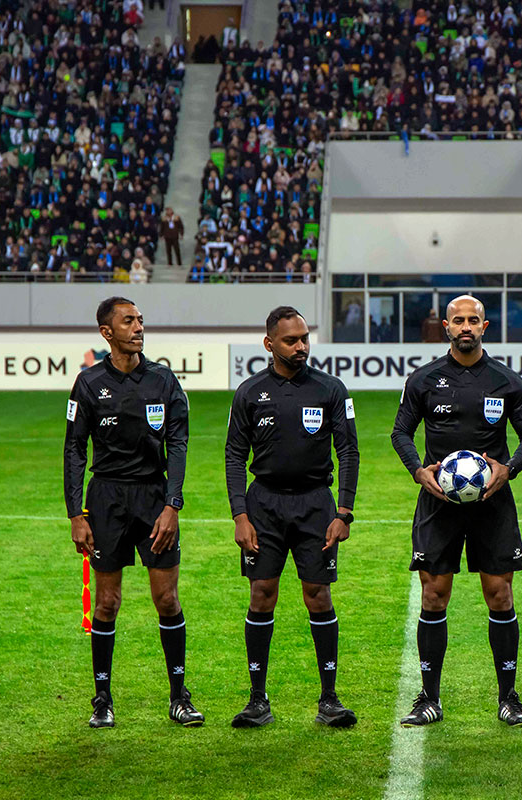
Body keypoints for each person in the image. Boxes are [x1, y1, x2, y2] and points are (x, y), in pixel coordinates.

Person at [390, 294, 522, 727]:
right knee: (434, 595)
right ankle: (429, 698)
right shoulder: (423, 379)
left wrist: (508, 469)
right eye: (458, 320)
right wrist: (418, 470)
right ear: (446, 327)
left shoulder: (507, 381)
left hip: (492, 504)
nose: (466, 327)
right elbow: (401, 432)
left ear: (484, 326)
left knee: (500, 594)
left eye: (473, 320)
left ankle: (508, 698)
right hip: (438, 504)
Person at [64, 296, 202, 729]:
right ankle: (102, 700)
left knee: (167, 599)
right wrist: (76, 514)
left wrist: (172, 504)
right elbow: (74, 449)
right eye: (128, 321)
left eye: (140, 320)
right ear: (107, 332)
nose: (138, 327)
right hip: (106, 500)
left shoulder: (163, 380)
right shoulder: (88, 383)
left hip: (153, 497)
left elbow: (178, 443)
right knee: (106, 603)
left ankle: (179, 697)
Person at [226, 306, 360, 729]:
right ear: (270, 344)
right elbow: (234, 455)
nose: (301, 346)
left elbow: (348, 451)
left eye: (304, 338)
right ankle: (257, 700)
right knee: (261, 594)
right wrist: (240, 514)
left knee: (318, 595)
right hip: (263, 505)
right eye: (291, 340)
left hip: (315, 505)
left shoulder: (330, 389)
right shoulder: (249, 392)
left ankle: (329, 699)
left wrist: (343, 512)